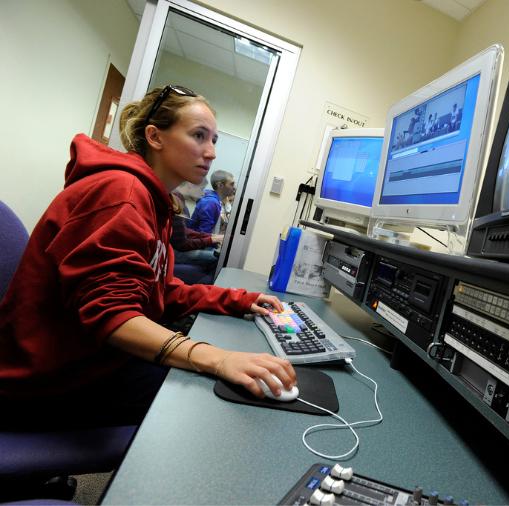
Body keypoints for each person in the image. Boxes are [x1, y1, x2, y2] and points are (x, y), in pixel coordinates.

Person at [0, 85, 295, 429]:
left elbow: (162, 290)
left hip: (88, 362)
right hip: (45, 384)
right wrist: (216, 358)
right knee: (213, 403)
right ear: (155, 136)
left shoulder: (154, 202)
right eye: (199, 136)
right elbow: (111, 314)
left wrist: (239, 300)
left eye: (214, 139)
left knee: (211, 380)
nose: (211, 152)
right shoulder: (122, 193)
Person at [188, 169, 235, 234]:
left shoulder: (217, 201)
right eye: (232, 184)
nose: (234, 187)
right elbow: (203, 235)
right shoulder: (211, 203)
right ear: (220, 185)